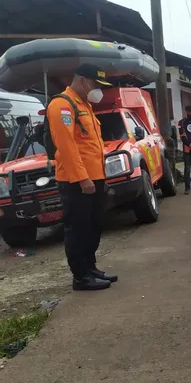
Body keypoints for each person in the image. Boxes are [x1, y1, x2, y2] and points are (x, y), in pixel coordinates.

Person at [46, 64, 117, 291]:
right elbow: (66, 148)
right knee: (78, 228)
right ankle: (81, 276)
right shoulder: (62, 105)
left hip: (94, 177)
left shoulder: (84, 105)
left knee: (93, 225)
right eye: (95, 84)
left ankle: (91, 267)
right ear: (82, 80)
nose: (97, 89)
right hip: (76, 181)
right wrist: (82, 179)